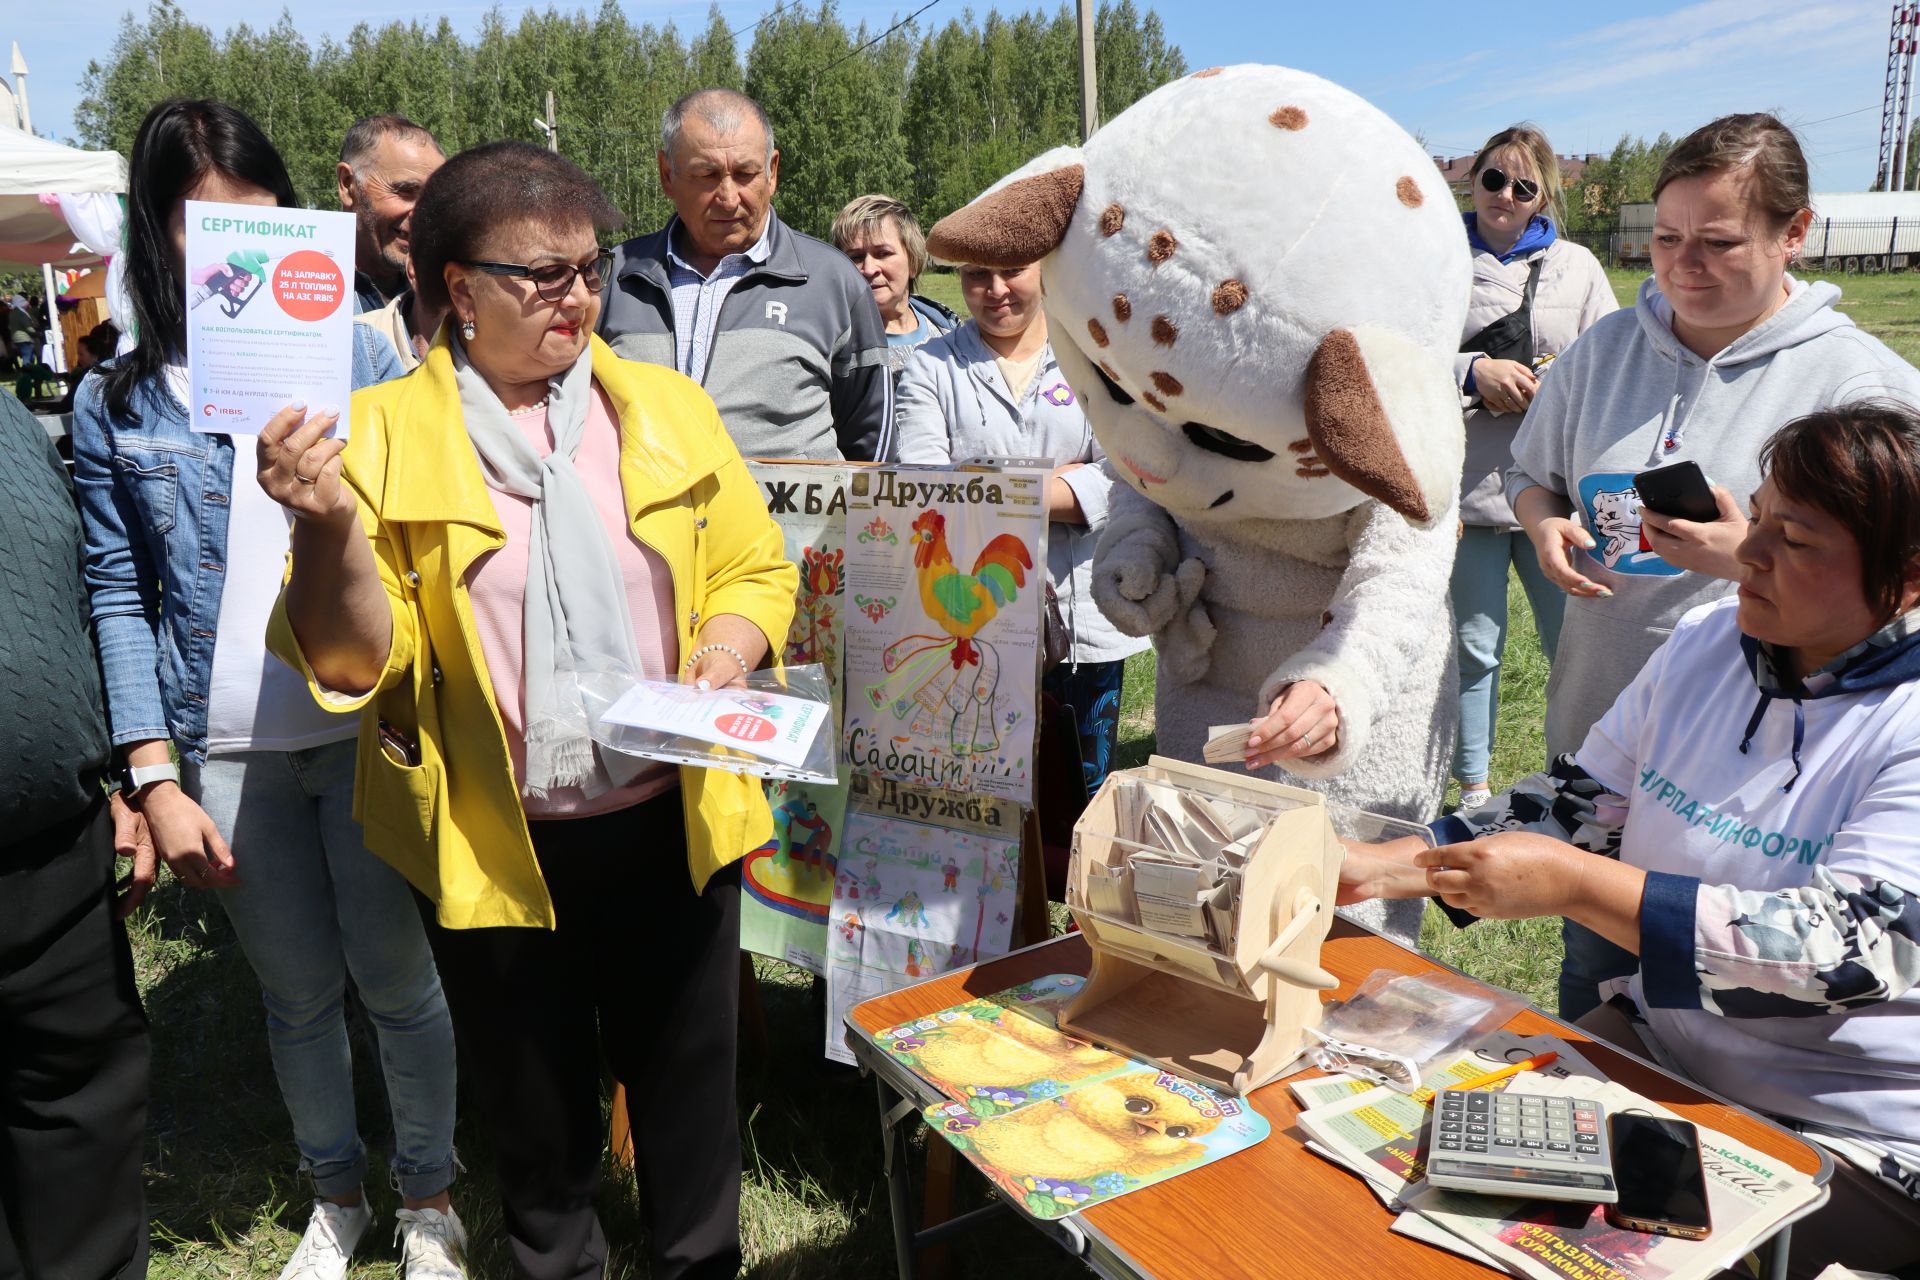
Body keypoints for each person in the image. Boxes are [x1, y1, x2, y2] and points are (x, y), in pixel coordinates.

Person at [258, 140, 796, 1280]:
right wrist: (325, 526)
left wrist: (729, 640)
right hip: (495, 843)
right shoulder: (385, 433)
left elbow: (753, 563)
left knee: (691, 1101)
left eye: (591, 268)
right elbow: (361, 661)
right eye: (542, 275)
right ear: (458, 287)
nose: (578, 297)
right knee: (539, 1126)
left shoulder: (663, 406)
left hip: (673, 818)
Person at [1343, 402, 1920, 1277]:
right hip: (1664, 1045)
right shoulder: (1708, 642)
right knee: (1419, 1176)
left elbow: (1845, 955)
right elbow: (1578, 802)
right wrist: (1382, 865)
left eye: (1795, 541)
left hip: (1848, 1126)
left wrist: (1577, 887)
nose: (1749, 556)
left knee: (1564, 1249)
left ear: (1908, 578)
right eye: (1756, 517)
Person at [68, 99, 464, 1280]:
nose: (230, 243)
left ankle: (431, 1195)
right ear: (159, 229)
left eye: (253, 215)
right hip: (224, 749)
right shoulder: (117, 403)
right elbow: (118, 595)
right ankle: (335, 1194)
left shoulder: (361, 351)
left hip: (362, 728)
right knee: (295, 996)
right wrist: (153, 772)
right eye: (202, 219)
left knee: (399, 978)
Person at [1504, 112, 1920, 1017]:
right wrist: (1543, 526)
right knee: (1605, 995)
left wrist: (1749, 559)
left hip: (1771, 795)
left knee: (1742, 1014)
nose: (1683, 265)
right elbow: (1531, 474)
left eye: (1719, 242)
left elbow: (1838, 951)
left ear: (1795, 233)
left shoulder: (1867, 388)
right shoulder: (1607, 349)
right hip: (1614, 748)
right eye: (1665, 238)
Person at [0, 389, 152, 1280]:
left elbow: (79, 597)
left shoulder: (13, 421)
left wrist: (124, 773)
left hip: (56, 847)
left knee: (79, 1115)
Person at [894, 260, 1149, 791]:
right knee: (982, 784)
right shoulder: (930, 366)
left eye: (1012, 271)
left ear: (1045, 270)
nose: (995, 290)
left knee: (1082, 790)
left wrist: (991, 484)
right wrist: (1059, 481)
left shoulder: (1095, 358)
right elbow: (927, 485)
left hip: (1084, 622)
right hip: (974, 625)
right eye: (976, 275)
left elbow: (1125, 476)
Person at [1450, 126, 1616, 813]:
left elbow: (1611, 358)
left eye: (1523, 186)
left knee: (1577, 643)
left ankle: (1586, 779)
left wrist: (1564, 386)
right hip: (1467, 487)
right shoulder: (1433, 258)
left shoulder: (1576, 265)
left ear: (1544, 194)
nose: (1506, 197)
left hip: (1556, 491)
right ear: (1473, 179)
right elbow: (1390, 356)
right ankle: (1473, 788)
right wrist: (1471, 370)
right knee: (1474, 648)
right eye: (1494, 179)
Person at [598, 88, 894, 461]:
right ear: (666, 175)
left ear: (771, 172)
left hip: (791, 521)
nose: (728, 196)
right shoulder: (614, 278)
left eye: (745, 173)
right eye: (706, 174)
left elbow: (873, 448)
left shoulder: (832, 281)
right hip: (644, 518)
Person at [830, 193, 958, 378]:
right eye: (856, 257)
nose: (869, 269)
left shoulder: (946, 329)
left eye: (883, 253)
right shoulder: (833, 345)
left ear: (912, 262)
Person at [338, 113, 445, 313]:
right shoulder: (302, 288)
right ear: (347, 184)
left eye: (432, 198)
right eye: (405, 191)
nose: (423, 213)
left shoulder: (448, 294)